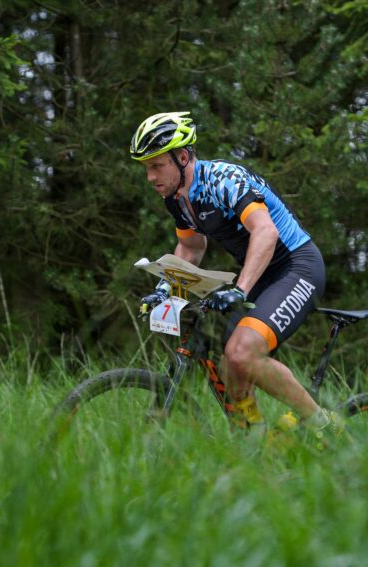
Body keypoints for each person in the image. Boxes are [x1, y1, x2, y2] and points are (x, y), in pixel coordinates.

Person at [132, 111, 340, 434]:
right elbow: (190, 248)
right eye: (146, 167)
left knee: (243, 351)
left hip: (297, 267)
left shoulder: (223, 180)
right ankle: (257, 441)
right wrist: (165, 287)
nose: (150, 176)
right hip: (263, 274)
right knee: (230, 364)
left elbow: (266, 233)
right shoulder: (177, 199)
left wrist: (240, 289)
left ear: (183, 157)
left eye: (157, 165)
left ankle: (324, 426)